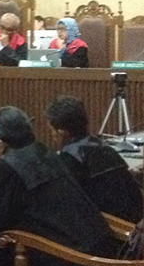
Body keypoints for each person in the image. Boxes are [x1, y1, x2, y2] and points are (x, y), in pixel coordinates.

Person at [0, 106, 113, 266]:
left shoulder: (10, 166)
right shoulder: (45, 152)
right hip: (102, 248)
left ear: (0, 143)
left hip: (73, 260)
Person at [46, 95, 142, 223]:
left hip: (113, 228)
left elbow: (65, 207)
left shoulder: (69, 161)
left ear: (62, 132)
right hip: (135, 221)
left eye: (52, 130)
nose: (52, 135)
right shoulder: (106, 148)